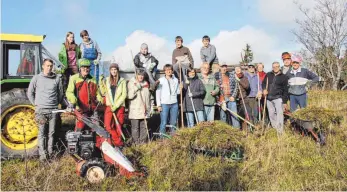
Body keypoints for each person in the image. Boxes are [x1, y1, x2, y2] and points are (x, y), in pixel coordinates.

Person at [27, 59, 63, 162]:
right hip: (41, 111)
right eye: (47, 66)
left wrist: (56, 104)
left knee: (51, 133)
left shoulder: (57, 79)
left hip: (53, 111)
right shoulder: (37, 78)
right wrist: (36, 104)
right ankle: (43, 156)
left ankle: (50, 154)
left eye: (51, 66)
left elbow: (60, 93)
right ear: (43, 66)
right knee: (42, 133)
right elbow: (30, 93)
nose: (49, 68)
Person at [66, 59, 103, 131]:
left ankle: (94, 142)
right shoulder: (74, 78)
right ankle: (77, 141)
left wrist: (99, 98)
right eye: (83, 67)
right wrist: (73, 100)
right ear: (80, 68)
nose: (86, 69)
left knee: (96, 129)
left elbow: (97, 92)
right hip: (81, 109)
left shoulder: (93, 79)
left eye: (87, 67)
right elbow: (69, 92)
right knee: (80, 128)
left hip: (93, 109)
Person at [99, 63, 127, 147]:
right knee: (108, 125)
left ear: (117, 71)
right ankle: (118, 141)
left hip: (119, 106)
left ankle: (117, 144)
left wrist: (116, 106)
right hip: (109, 106)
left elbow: (124, 94)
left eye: (115, 69)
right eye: (112, 70)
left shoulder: (122, 81)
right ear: (110, 71)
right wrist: (100, 82)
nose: (114, 71)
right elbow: (103, 92)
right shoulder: (107, 80)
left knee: (118, 124)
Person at [262, 62, 289, 134]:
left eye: (277, 66)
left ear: (279, 67)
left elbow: (285, 90)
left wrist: (285, 102)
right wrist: (264, 89)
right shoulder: (268, 75)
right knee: (271, 114)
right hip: (268, 98)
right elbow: (264, 83)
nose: (275, 68)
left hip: (278, 98)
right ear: (272, 67)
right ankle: (275, 128)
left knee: (279, 114)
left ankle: (280, 131)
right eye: (274, 67)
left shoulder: (283, 77)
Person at [127, 69, 151, 144]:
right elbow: (129, 96)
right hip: (135, 110)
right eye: (139, 75)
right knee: (135, 128)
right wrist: (136, 87)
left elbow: (148, 98)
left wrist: (149, 108)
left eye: (142, 75)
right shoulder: (132, 83)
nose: (141, 76)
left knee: (144, 128)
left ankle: (143, 144)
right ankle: (136, 143)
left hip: (144, 110)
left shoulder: (146, 84)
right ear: (136, 75)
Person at [156, 64, 180, 137]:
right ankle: (162, 138)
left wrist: (180, 88)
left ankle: (173, 137)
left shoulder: (175, 80)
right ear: (164, 71)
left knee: (174, 122)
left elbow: (177, 92)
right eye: (167, 70)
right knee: (164, 122)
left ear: (172, 71)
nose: (168, 71)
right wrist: (159, 105)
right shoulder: (161, 80)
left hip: (174, 103)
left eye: (170, 69)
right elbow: (158, 93)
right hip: (164, 104)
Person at [215, 63, 240, 128]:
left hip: (230, 98)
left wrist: (233, 96)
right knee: (223, 116)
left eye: (225, 67)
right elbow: (215, 87)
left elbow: (236, 86)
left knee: (234, 115)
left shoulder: (231, 75)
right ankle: (224, 131)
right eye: (222, 67)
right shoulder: (216, 76)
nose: (224, 68)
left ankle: (236, 131)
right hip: (222, 98)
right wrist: (219, 99)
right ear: (220, 67)